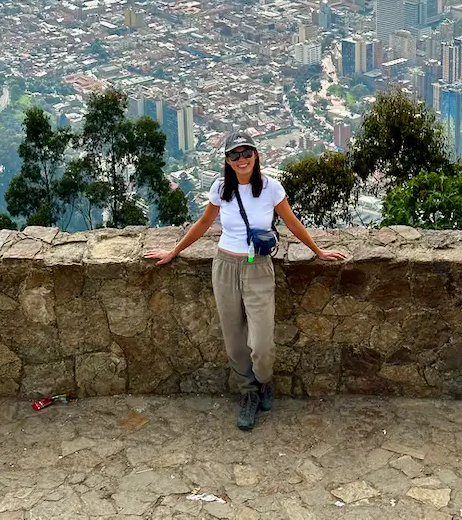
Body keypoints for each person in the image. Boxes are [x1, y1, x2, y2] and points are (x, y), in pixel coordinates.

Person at [145, 130, 346, 431]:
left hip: (258, 267)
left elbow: (291, 222)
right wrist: (174, 251)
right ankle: (248, 394)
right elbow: (203, 223)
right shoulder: (220, 189)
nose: (241, 159)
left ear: (256, 155)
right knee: (235, 342)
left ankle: (264, 382)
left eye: (246, 152)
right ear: (227, 160)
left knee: (261, 344)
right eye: (234, 155)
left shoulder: (270, 188)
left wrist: (318, 250)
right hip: (225, 265)